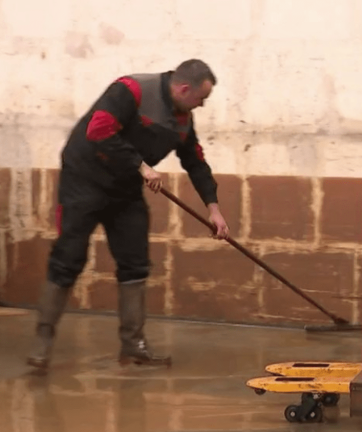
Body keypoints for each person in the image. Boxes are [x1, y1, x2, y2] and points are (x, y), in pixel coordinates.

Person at [27, 59, 230, 370]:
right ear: (184, 88)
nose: (201, 105)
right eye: (200, 98)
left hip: (124, 188)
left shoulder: (183, 119)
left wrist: (213, 209)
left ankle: (133, 345)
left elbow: (196, 162)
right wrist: (142, 166)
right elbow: (99, 130)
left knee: (135, 261)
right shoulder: (132, 89)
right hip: (84, 179)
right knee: (69, 257)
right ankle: (43, 340)